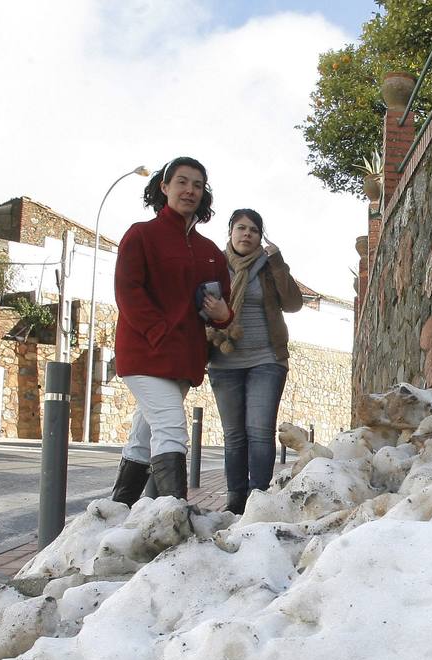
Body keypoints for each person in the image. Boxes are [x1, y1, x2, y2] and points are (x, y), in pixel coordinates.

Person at [109, 157, 234, 504]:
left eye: (197, 184)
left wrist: (224, 314)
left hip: (183, 359)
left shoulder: (210, 251)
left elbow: (221, 305)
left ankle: (117, 509)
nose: (189, 190)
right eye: (181, 181)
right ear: (164, 187)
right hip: (147, 352)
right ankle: (173, 515)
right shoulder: (141, 235)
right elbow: (128, 291)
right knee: (171, 427)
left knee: (142, 435)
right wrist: (159, 333)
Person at [206, 208, 305, 514]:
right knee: (234, 434)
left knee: (259, 431)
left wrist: (277, 263)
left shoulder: (268, 266)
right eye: (241, 228)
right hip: (224, 358)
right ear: (230, 233)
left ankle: (259, 499)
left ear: (261, 237)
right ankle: (235, 500)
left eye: (253, 230)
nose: (247, 234)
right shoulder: (213, 265)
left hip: (266, 358)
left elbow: (293, 303)